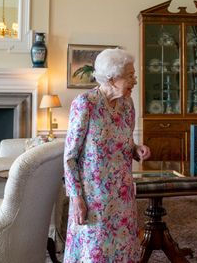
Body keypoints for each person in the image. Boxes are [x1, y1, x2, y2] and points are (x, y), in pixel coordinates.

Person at [63, 48, 151, 262]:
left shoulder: (127, 105)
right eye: (130, 75)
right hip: (94, 197)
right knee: (95, 252)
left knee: (123, 251)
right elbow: (70, 157)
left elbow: (125, 141)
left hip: (122, 195)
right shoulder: (86, 104)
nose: (135, 81)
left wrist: (136, 149)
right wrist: (76, 198)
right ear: (111, 78)